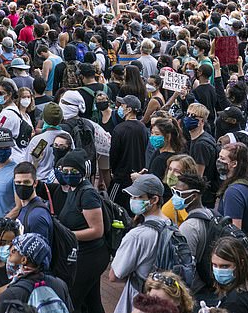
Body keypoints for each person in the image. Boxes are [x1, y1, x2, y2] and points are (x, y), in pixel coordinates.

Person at [108, 173, 169, 313]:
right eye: (132, 197)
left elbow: (114, 275)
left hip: (138, 298)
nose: (132, 200)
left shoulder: (137, 235)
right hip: (162, 298)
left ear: (154, 199)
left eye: (138, 197)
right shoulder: (170, 224)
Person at [56, 150, 108, 313]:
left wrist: (67, 235)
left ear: (82, 172)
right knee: (92, 301)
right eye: (65, 171)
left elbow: (97, 230)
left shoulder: (87, 194)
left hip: (90, 256)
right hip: (83, 254)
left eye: (73, 171)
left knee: (73, 300)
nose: (68, 174)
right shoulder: (73, 189)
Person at [0, 232, 72, 313]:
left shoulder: (11, 294)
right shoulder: (60, 285)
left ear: (24, 260)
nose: (8, 259)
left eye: (11, 254)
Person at [216, 142, 248, 265]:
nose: (218, 161)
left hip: (242, 258)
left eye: (222, 159)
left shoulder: (233, 192)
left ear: (234, 164)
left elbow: (234, 233)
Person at [109, 94, 148, 208]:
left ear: (129, 109)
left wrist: (113, 171)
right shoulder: (143, 128)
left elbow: (114, 154)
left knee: (112, 205)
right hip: (138, 174)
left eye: (122, 105)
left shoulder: (119, 129)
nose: (120, 108)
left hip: (121, 177)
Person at [13, 162, 53, 241]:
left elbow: (40, 247)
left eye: (26, 182)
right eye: (18, 182)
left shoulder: (36, 216)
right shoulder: (25, 208)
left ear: (35, 183)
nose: (22, 186)